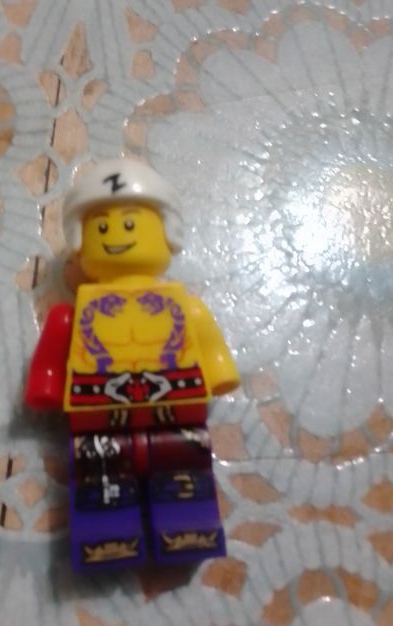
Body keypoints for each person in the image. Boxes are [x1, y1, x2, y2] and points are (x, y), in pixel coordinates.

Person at [25, 158, 240, 571]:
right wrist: (45, 386)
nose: (117, 236)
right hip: (98, 412)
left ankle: (187, 529)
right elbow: (51, 357)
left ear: (167, 233)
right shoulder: (71, 315)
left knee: (181, 466)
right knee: (100, 472)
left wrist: (220, 372)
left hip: (175, 407)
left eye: (130, 224)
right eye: (102, 228)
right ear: (80, 243)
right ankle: (107, 537)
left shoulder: (187, 307)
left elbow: (211, 346)